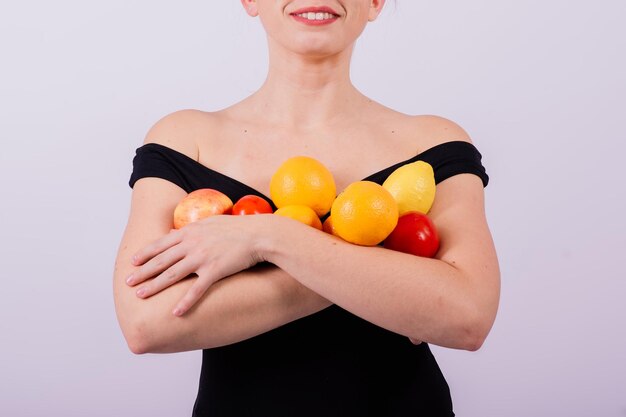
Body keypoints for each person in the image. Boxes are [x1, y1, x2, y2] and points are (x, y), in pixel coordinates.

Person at [113, 1, 500, 416]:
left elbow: (466, 316)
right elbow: (146, 323)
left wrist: (268, 238)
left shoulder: (432, 143)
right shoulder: (186, 139)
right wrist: (387, 277)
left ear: (374, 3)